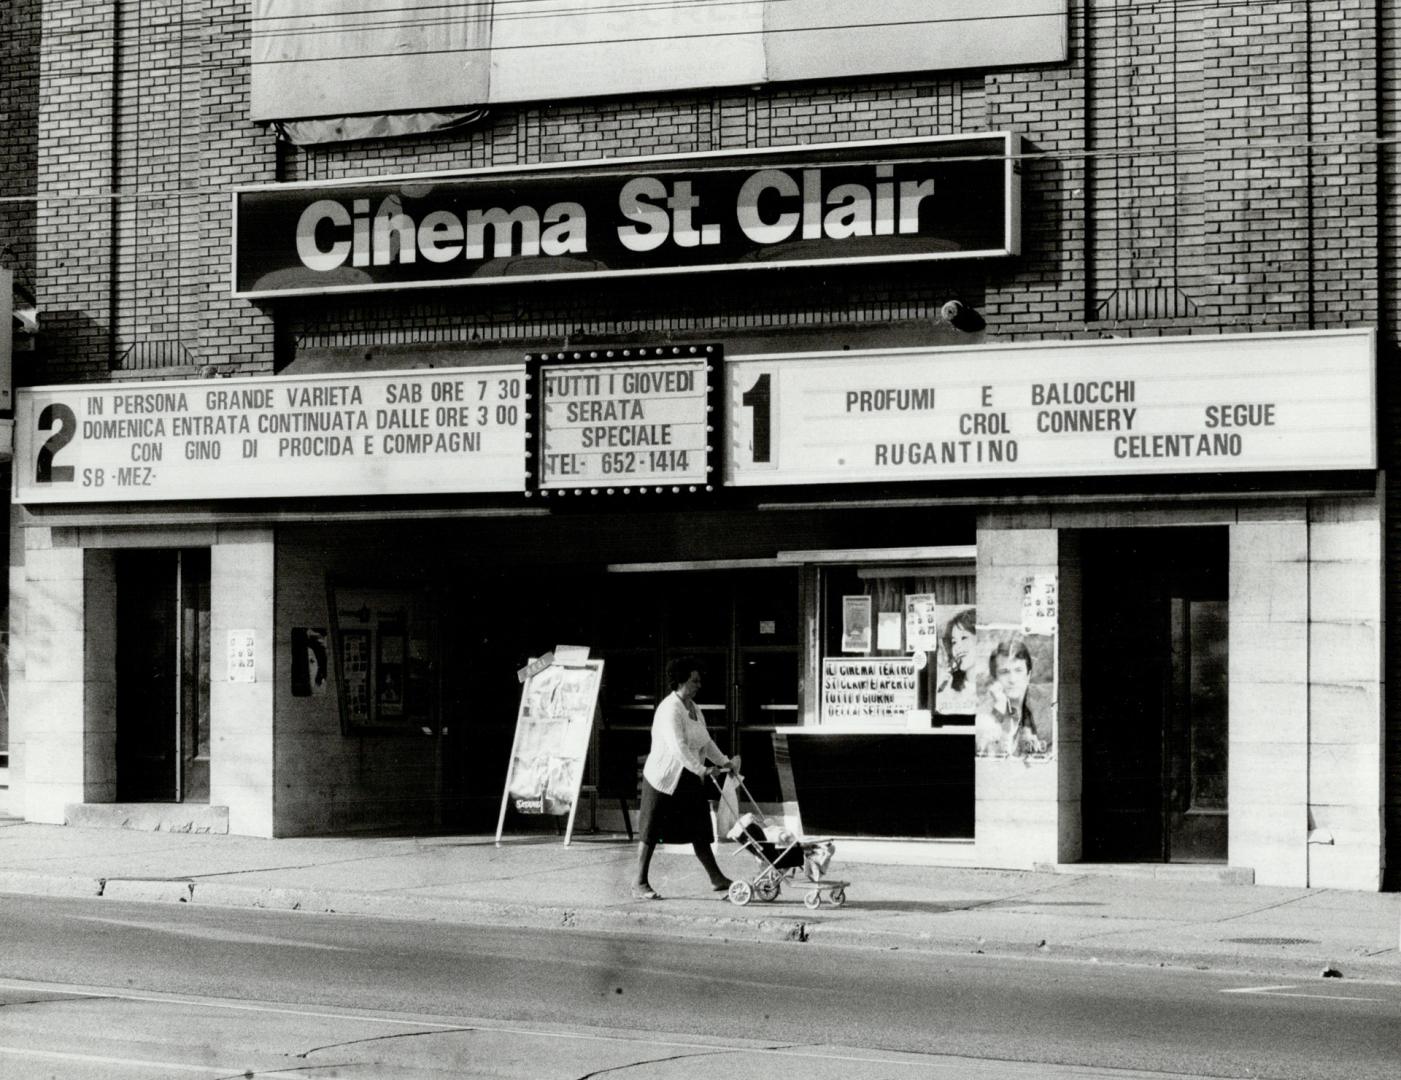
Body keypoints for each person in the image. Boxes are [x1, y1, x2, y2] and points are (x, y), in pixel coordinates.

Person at [632, 656, 736, 900]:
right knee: (650, 831)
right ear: (680, 681)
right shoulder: (670, 708)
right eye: (694, 680)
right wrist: (703, 770)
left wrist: (724, 762)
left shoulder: (694, 708)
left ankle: (716, 878)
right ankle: (638, 882)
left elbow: (705, 741)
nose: (699, 685)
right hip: (663, 778)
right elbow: (678, 747)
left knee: (700, 829)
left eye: (699, 680)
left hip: (688, 776)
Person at [974, 635, 1052, 758]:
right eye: (1004, 672)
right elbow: (983, 750)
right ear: (995, 677)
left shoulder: (1049, 699)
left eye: (1018, 670)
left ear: (1028, 674)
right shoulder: (985, 711)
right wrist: (999, 707)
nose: (1012, 680)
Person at [935, 607, 977, 714]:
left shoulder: (994, 688)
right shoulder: (950, 687)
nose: (957, 647)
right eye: (954, 642)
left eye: (964, 638)